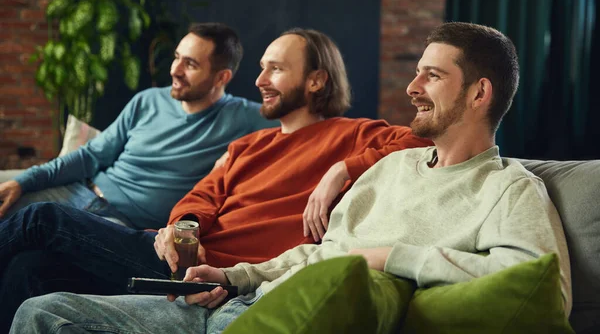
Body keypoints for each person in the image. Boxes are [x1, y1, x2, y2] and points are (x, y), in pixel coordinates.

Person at [10, 22, 573, 333]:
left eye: (431, 75)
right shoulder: (386, 169)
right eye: (415, 73)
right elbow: (315, 252)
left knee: (40, 221)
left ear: (479, 93)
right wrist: (232, 273)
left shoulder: (509, 188)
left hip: (280, 316)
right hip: (225, 289)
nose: (411, 88)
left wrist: (388, 252)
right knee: (40, 308)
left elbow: (543, 286)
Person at [0, 22, 277, 230]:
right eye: (176, 57)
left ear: (221, 77)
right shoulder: (148, 100)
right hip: (79, 191)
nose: (174, 70)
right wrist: (24, 181)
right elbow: (92, 155)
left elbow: (310, 127)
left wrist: (325, 182)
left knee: (28, 240)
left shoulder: (246, 118)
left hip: (120, 224)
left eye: (190, 64)